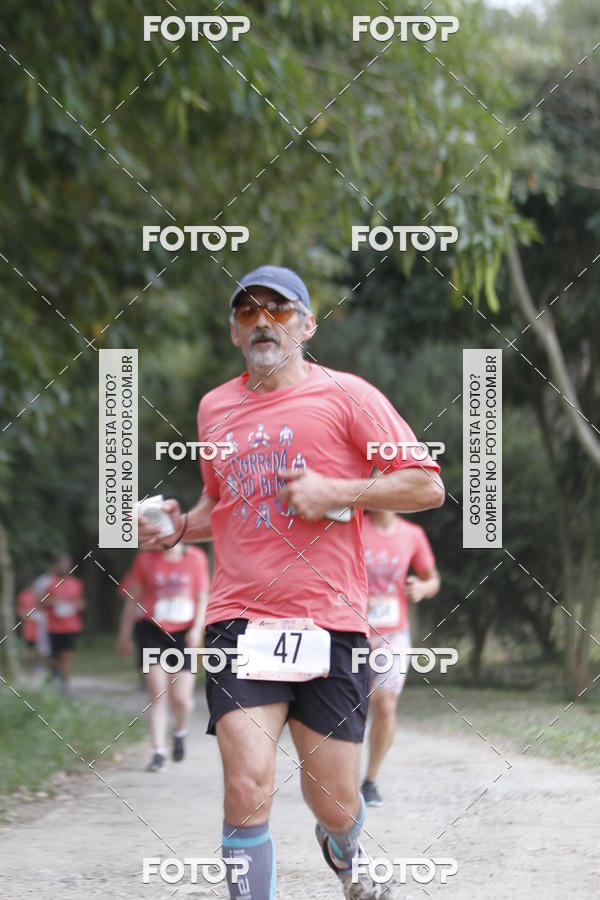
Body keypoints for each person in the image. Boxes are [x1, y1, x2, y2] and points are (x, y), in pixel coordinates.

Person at [138, 265, 445, 899]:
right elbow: (221, 509)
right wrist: (177, 527)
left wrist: (341, 490)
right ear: (233, 331)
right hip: (239, 620)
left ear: (307, 324)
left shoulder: (348, 396)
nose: (262, 322)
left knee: (333, 798)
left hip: (329, 622)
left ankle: (343, 847)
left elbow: (426, 485)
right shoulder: (215, 408)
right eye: (248, 313)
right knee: (246, 782)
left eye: (277, 311)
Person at [359, 510, 441, 808]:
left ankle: (370, 781)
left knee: (384, 704)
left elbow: (432, 580)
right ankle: (339, 778)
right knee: (353, 706)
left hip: (393, 634)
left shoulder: (412, 534)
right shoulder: (353, 525)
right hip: (353, 631)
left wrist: (422, 587)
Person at [117, 543, 210, 771]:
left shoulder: (196, 557)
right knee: (157, 693)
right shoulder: (145, 559)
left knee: (182, 699)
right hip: (152, 631)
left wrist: (198, 629)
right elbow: (132, 599)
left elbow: (202, 597)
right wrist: (124, 636)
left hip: (183, 634)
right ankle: (158, 752)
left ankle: (179, 732)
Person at [35, 555, 85, 694]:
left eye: (67, 564)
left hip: (72, 626)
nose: (65, 567)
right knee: (54, 657)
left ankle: (64, 685)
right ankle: (54, 677)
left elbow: (81, 602)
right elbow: (40, 604)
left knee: (67, 655)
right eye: (62, 564)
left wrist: (75, 605)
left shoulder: (77, 584)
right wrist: (53, 602)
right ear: (56, 567)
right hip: (54, 627)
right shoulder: (50, 584)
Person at [16, 583, 40, 671]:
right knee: (29, 648)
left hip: (38, 625)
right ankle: (28, 668)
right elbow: (20, 610)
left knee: (38, 648)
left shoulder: (38, 595)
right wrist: (26, 616)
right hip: (28, 626)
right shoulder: (23, 595)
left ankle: (36, 667)